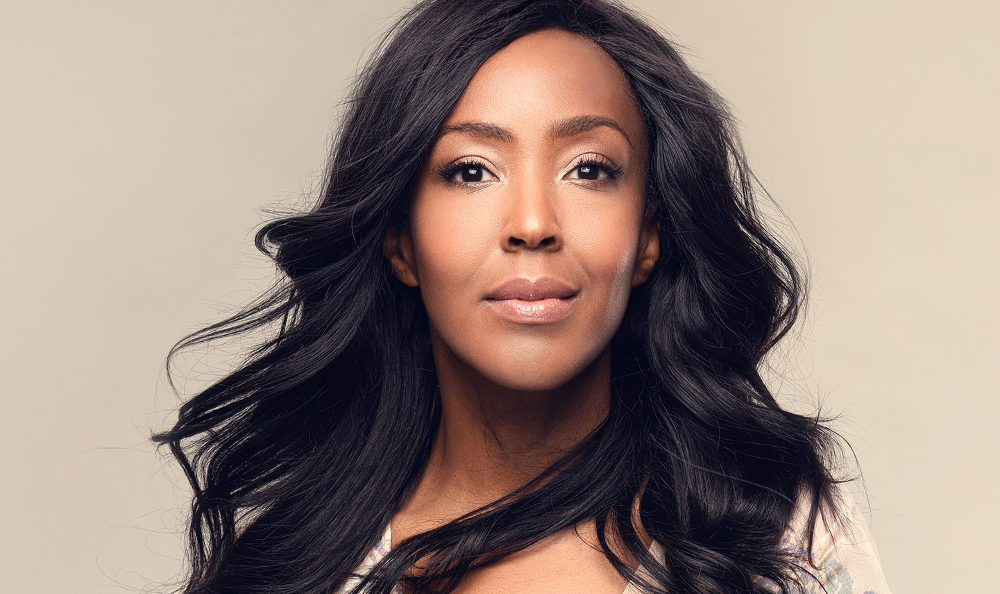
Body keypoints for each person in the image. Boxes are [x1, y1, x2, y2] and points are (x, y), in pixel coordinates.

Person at [155, 0, 892, 592]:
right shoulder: (295, 570)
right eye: (471, 170)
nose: (533, 224)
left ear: (650, 236)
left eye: (590, 169)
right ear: (400, 241)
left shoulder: (772, 535)